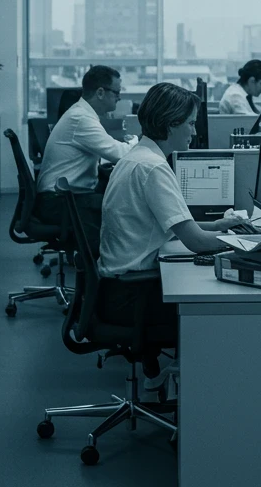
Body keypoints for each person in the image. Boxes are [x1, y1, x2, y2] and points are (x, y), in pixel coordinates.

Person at [97, 83, 248, 372]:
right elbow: (197, 243)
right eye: (190, 124)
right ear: (170, 124)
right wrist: (250, 243)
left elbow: (172, 223)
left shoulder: (138, 157)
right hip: (132, 297)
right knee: (222, 304)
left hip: (116, 289)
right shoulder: (152, 168)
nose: (194, 131)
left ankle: (164, 380)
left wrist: (217, 225)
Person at [35, 66, 136, 222]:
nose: (119, 98)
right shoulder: (81, 118)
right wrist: (138, 141)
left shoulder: (82, 114)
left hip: (63, 197)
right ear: (100, 93)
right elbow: (122, 155)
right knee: (124, 207)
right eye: (116, 93)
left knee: (117, 197)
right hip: (58, 202)